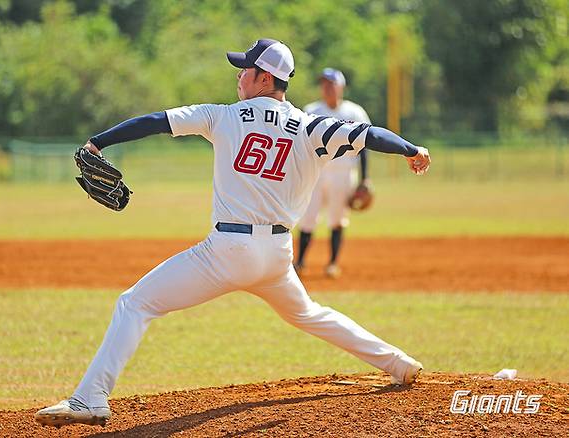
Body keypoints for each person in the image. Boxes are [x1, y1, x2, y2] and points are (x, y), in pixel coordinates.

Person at [35, 38, 431, 428]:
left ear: (263, 78)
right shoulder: (312, 126)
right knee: (309, 314)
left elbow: (156, 121)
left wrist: (98, 143)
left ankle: (90, 398)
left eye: (245, 69)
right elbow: (369, 134)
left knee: (135, 304)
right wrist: (412, 149)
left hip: (226, 252)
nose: (239, 76)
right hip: (276, 255)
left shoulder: (222, 116)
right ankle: (397, 362)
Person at [296, 68, 372, 278]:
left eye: (331, 83)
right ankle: (300, 262)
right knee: (307, 217)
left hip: (344, 173)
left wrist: (365, 178)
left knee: (337, 218)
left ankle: (332, 263)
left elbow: (364, 147)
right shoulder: (311, 110)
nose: (327, 88)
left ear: (341, 87)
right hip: (316, 174)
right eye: (324, 84)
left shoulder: (355, 112)